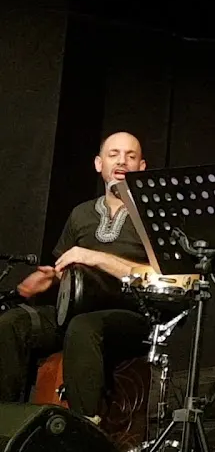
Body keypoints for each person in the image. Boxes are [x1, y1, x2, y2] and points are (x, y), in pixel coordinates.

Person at [0, 131, 153, 426]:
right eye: (113, 154)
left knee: (84, 327)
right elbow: (66, 267)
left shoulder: (151, 215)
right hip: (73, 311)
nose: (122, 161)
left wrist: (95, 257)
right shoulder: (81, 214)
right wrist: (51, 278)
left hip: (131, 316)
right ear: (99, 164)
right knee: (13, 323)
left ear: (141, 167)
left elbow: (161, 277)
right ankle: (7, 422)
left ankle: (83, 429)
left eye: (131, 156)